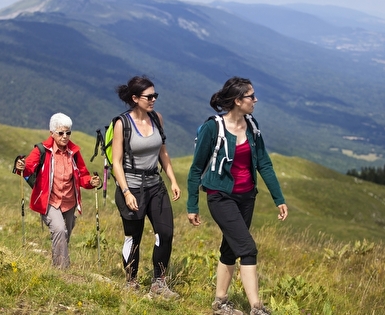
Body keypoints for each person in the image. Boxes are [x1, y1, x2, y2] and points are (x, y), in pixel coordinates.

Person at [187, 76, 288, 315]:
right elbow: (195, 169)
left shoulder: (252, 125)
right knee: (247, 248)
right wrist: (192, 205)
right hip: (220, 197)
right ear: (237, 100)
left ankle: (220, 301)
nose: (255, 99)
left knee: (230, 248)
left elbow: (264, 163)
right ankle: (257, 307)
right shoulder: (213, 128)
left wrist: (279, 199)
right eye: (251, 96)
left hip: (247, 197)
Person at [112, 75, 181, 299]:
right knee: (134, 238)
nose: (153, 100)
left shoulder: (156, 118)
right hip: (131, 187)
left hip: (155, 185)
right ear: (135, 98)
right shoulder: (122, 123)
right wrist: (126, 192)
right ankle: (131, 281)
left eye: (155, 95)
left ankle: (159, 283)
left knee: (166, 233)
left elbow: (163, 152)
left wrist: (172, 180)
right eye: (148, 96)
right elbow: (116, 162)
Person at [14, 112, 100, 269]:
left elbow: (83, 175)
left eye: (68, 132)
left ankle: (57, 265)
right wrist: (21, 166)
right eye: (61, 133)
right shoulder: (42, 150)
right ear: (52, 133)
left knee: (65, 233)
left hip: (69, 201)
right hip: (49, 201)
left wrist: (91, 182)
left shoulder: (73, 152)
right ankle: (62, 270)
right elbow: (28, 168)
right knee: (60, 230)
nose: (65, 136)